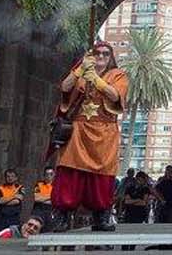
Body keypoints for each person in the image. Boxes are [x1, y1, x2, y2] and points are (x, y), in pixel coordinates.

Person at [53, 41, 129, 231]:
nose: (101, 57)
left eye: (105, 54)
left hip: (104, 132)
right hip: (78, 130)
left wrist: (94, 78)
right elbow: (64, 87)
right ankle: (62, 216)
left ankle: (100, 216)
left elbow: (114, 95)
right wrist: (79, 70)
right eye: (97, 53)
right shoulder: (83, 70)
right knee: (70, 171)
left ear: (111, 57)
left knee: (102, 175)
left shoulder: (117, 75)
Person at [0, 168, 24, 236]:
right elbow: (0, 201)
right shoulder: (0, 188)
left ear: (16, 178)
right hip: (1, 217)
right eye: (8, 176)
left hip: (14, 217)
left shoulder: (19, 187)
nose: (10, 178)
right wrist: (14, 196)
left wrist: (5, 200)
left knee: (13, 236)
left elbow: (17, 201)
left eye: (12, 176)